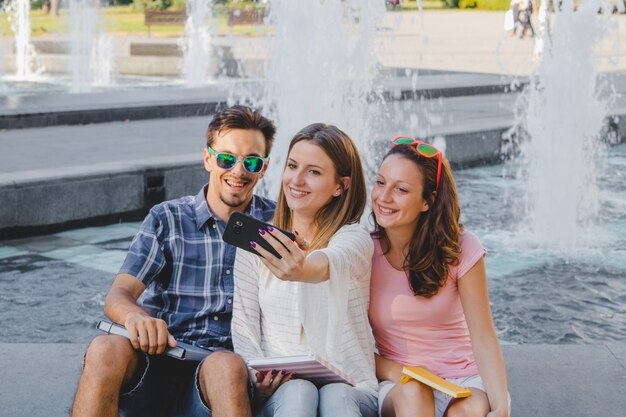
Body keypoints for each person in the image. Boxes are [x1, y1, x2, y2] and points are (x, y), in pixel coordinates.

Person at [71, 105, 276, 417]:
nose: (238, 170)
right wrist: (136, 319)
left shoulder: (274, 224)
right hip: (155, 360)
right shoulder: (166, 218)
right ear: (208, 158)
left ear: (263, 168)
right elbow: (119, 294)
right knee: (104, 349)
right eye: (226, 158)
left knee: (224, 364)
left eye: (251, 161)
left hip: (221, 374)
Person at [231, 123, 378, 417]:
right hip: (280, 392)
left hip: (352, 389)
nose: (296, 180)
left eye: (314, 171)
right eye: (292, 166)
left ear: (341, 185)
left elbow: (329, 262)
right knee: (299, 392)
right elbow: (244, 329)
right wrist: (256, 380)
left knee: (336, 396)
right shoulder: (256, 244)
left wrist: (301, 269)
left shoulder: (354, 238)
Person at [368, 137, 510, 417]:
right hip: (401, 382)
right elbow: (350, 344)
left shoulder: (462, 247)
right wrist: (402, 372)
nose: (383, 197)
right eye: (381, 182)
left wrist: (501, 405)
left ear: (427, 202)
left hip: (464, 381)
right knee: (415, 394)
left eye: (401, 189)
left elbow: (483, 336)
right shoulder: (363, 251)